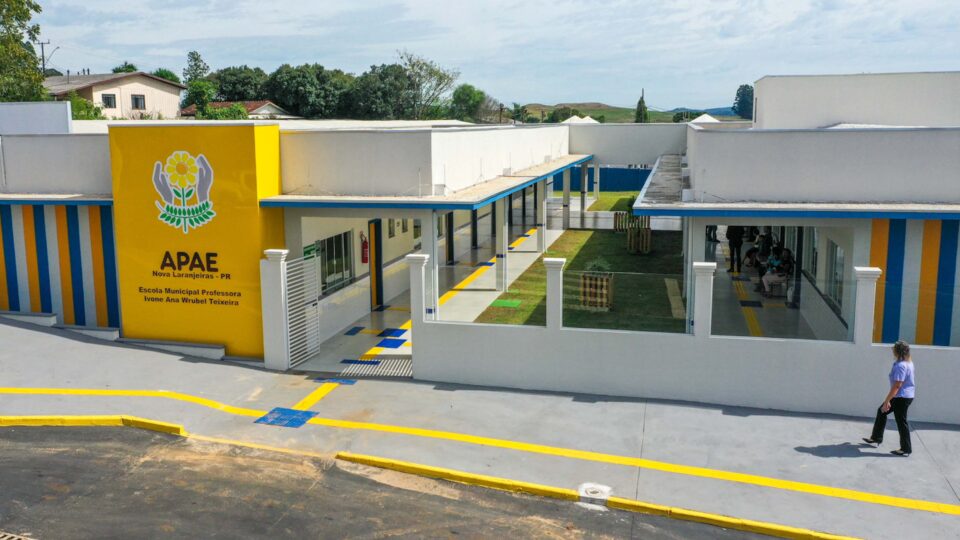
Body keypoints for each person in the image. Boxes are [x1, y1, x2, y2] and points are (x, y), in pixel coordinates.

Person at [864, 340, 916, 456]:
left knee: (901, 421)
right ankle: (876, 437)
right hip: (904, 396)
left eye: (894, 349)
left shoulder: (901, 366)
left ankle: (906, 448)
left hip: (901, 397)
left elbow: (897, 385)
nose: (892, 350)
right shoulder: (907, 363)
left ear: (898, 351)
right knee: (882, 411)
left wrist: (887, 400)